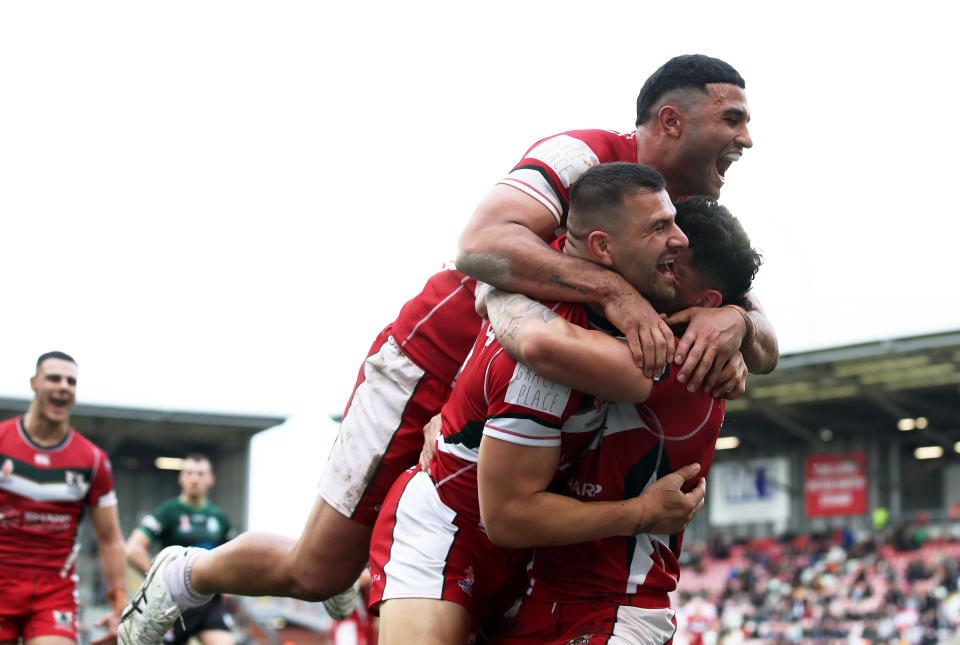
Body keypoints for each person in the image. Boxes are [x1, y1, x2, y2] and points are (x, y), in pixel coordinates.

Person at [118, 54, 778, 644]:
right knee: (317, 567)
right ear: (670, 121)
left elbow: (743, 309)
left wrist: (739, 321)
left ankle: (399, 567)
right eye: (733, 119)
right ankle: (185, 573)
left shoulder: (686, 213)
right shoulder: (583, 154)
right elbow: (479, 244)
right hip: (436, 363)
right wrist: (620, 296)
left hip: (534, 393)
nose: (747, 138)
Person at [368, 163, 714, 645]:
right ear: (602, 248)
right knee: (307, 574)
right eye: (659, 227)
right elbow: (507, 517)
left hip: (534, 557)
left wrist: (737, 322)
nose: (679, 239)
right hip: (452, 527)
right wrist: (641, 512)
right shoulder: (547, 356)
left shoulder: (586, 279)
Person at [483, 196, 762, 644]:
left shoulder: (674, 361)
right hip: (540, 600)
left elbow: (540, 342)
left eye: (673, 268)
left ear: (706, 302)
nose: (656, 268)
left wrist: (493, 291)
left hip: (617, 609)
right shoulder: (637, 336)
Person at [0, 351, 127, 645]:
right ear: (34, 383)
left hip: (52, 591)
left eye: (71, 381)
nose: (64, 386)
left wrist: (119, 603)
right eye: (54, 378)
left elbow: (109, 540)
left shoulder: (93, 460)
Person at [125, 454, 234, 645]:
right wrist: (160, 580)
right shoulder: (168, 512)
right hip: (175, 604)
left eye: (200, 474)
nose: (194, 478)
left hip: (209, 603)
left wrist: (229, 584)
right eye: (189, 473)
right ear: (181, 478)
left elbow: (231, 558)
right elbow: (133, 549)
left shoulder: (219, 518)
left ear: (211, 479)